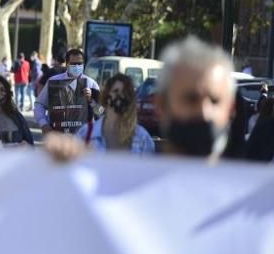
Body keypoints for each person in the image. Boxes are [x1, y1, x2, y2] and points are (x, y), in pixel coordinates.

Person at [48, 37, 236, 163]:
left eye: (215, 100)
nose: (204, 111)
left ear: (231, 108)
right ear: (161, 105)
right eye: (190, 99)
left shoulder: (143, 140)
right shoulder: (86, 135)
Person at [81, 74, 155, 154]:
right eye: (116, 91)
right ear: (107, 95)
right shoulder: (85, 134)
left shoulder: (143, 139)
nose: (120, 96)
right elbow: (100, 112)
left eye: (125, 93)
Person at [34, 48, 101, 136]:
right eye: (73, 64)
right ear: (67, 64)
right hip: (58, 136)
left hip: (83, 138)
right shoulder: (54, 82)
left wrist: (92, 101)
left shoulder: (91, 84)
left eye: (80, 63)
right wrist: (44, 124)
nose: (77, 66)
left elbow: (102, 112)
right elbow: (39, 105)